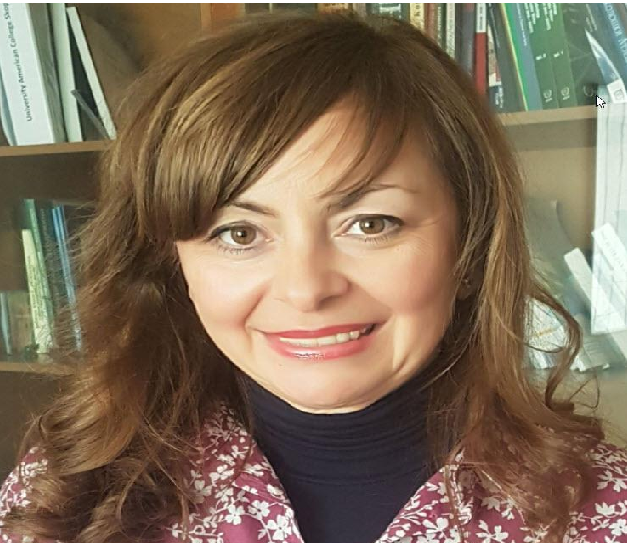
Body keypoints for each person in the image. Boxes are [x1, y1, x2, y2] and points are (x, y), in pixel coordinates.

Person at [1, 9, 627, 543]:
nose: (306, 289)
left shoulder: (603, 509)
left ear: (470, 245)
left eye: (371, 224)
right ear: (175, 265)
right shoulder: (66, 495)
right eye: (238, 234)